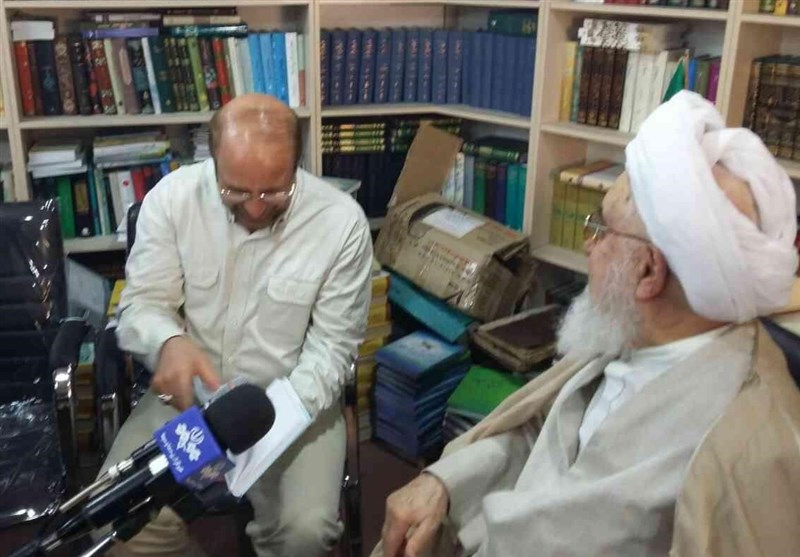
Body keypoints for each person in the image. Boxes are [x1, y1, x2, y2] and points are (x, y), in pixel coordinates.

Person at [375, 90, 800, 557]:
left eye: (600, 228)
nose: (588, 246)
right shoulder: (638, 337)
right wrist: (443, 482)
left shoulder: (741, 454)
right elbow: (545, 434)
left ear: (648, 272)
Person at [101, 94, 374, 557]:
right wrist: (167, 341)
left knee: (305, 533)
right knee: (120, 519)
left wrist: (274, 419)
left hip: (293, 403)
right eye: (237, 192)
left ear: (297, 166)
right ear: (212, 163)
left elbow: (332, 349)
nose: (256, 208)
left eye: (274, 192)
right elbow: (143, 303)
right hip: (189, 401)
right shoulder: (172, 199)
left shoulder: (341, 223)